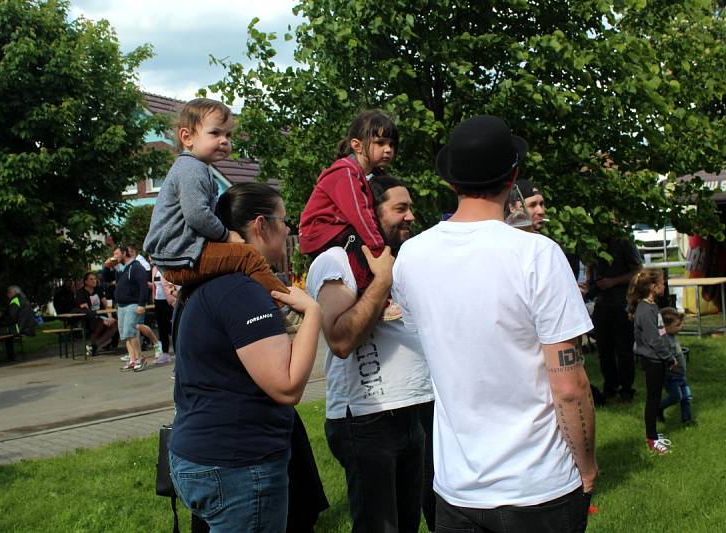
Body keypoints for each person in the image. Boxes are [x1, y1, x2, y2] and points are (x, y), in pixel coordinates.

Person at [393, 115, 596, 532]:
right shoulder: (537, 255)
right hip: (538, 487)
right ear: (514, 177)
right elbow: (570, 385)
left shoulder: (412, 256)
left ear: (451, 182)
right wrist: (588, 465)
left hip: (457, 488)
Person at [169, 182, 322, 531]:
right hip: (238, 466)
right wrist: (313, 313)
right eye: (284, 221)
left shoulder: (202, 282)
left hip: (200, 455)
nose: (288, 231)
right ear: (260, 225)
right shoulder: (241, 289)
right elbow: (286, 387)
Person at [306, 175, 434, 533]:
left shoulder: (397, 259)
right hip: (366, 418)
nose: (410, 216)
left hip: (412, 410)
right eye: (400, 208)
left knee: (408, 525)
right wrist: (381, 281)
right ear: (368, 212)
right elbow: (341, 340)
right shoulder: (334, 262)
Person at [142, 98, 289, 306]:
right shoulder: (192, 169)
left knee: (227, 260)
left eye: (228, 135)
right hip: (178, 254)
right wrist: (226, 235)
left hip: (177, 255)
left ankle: (192, 298)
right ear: (187, 137)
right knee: (247, 255)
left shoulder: (197, 168)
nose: (224, 140)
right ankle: (284, 305)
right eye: (215, 133)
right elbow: (197, 215)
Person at [299, 110, 398, 294]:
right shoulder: (346, 173)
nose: (388, 149)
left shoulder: (359, 175)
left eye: (391, 144)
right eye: (380, 143)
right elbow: (361, 215)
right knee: (362, 241)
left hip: (334, 230)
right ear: (357, 145)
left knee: (377, 237)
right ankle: (370, 292)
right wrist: (380, 252)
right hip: (321, 233)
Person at [629, 269, 676, 454]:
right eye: (662, 283)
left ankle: (653, 434)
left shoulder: (652, 306)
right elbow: (653, 340)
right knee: (653, 399)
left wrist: (668, 351)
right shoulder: (645, 310)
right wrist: (668, 357)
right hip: (653, 360)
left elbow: (660, 332)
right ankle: (652, 438)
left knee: (655, 399)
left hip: (659, 358)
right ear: (653, 287)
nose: (664, 285)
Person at [591, 237, 643, 402]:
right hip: (601, 302)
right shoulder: (594, 239)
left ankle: (626, 390)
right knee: (604, 349)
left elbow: (638, 271)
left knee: (624, 350)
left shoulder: (623, 240)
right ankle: (610, 387)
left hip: (622, 303)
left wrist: (614, 281)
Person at [113, 246, 151, 371]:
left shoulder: (136, 267)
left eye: (117, 253)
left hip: (133, 304)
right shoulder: (122, 268)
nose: (115, 256)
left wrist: (141, 304)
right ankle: (132, 360)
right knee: (125, 334)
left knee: (131, 331)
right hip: (121, 305)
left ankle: (141, 358)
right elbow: (108, 277)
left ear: (124, 253)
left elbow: (143, 286)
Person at [658, 307, 695, 427]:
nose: (681, 326)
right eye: (678, 325)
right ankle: (658, 408)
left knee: (686, 397)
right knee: (676, 397)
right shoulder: (664, 340)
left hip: (681, 375)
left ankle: (687, 420)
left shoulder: (672, 336)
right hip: (671, 377)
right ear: (666, 326)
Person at [76, 271, 119, 357]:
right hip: (88, 317)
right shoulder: (81, 292)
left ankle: (94, 346)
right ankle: (94, 346)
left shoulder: (98, 289)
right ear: (86, 282)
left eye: (95, 279)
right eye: (91, 279)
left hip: (101, 315)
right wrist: (103, 320)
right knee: (98, 323)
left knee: (115, 324)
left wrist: (109, 317)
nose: (94, 281)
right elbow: (85, 309)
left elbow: (106, 305)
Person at [150, 263, 174, 365]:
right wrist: (153, 299)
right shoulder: (155, 269)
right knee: (161, 328)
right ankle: (165, 353)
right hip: (158, 301)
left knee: (171, 327)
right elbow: (154, 287)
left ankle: (179, 351)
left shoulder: (169, 266)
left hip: (169, 301)